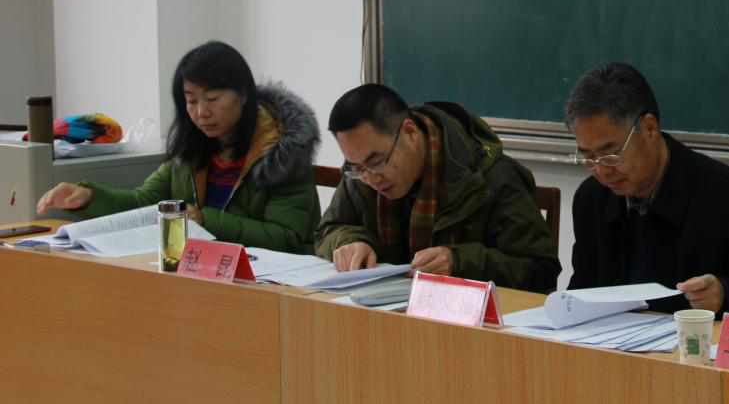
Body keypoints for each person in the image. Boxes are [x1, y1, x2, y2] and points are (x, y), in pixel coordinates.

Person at [36, 40, 322, 253]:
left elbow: (287, 237)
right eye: (191, 100)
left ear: (244, 95)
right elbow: (144, 203)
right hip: (203, 274)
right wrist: (88, 198)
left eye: (212, 99)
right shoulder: (191, 152)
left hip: (270, 283)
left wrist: (204, 220)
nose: (201, 112)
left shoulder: (283, 154)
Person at [565, 62, 729, 321]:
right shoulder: (592, 199)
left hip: (696, 344)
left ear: (650, 128)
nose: (601, 170)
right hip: (614, 342)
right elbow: (582, 291)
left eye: (610, 154)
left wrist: (725, 294)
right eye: (588, 157)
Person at [315, 84, 560, 292]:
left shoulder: (490, 178)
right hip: (386, 314)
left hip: (467, 323)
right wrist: (349, 242)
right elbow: (328, 230)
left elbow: (540, 272)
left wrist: (459, 262)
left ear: (410, 132)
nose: (371, 178)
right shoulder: (361, 175)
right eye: (357, 168)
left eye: (378, 162)